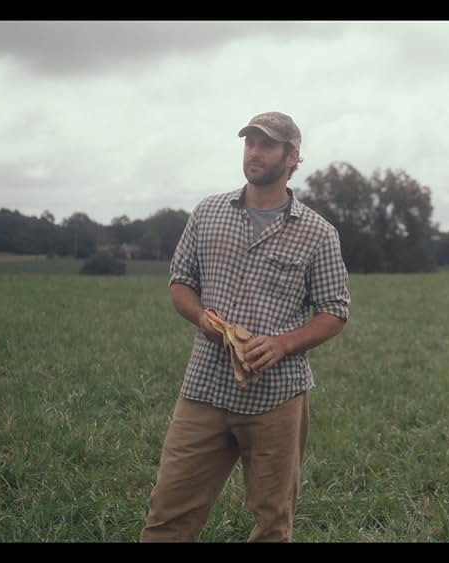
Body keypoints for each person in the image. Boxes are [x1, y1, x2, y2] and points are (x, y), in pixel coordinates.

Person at [140, 111, 351, 542]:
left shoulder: (318, 233)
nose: (255, 152)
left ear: (292, 157)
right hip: (204, 387)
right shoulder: (209, 212)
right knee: (168, 513)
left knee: (272, 522)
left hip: (277, 396)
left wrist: (283, 344)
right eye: (249, 143)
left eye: (267, 145)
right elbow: (181, 282)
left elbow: (335, 311)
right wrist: (202, 317)